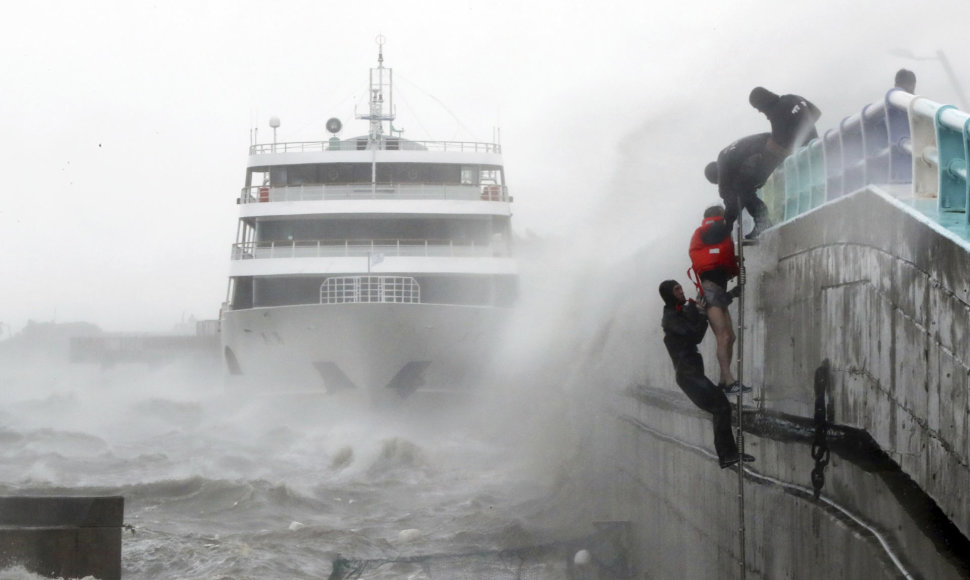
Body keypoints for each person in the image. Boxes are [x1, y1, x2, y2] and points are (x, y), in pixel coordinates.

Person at [659, 280, 754, 468]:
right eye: (676, 289)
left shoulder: (682, 310)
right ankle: (727, 455)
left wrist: (731, 295)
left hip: (693, 373)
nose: (681, 291)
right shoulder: (670, 318)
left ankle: (728, 454)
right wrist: (701, 313)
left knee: (720, 407)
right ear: (669, 294)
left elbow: (711, 304)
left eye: (680, 287)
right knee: (720, 407)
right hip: (688, 376)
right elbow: (695, 335)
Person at [688, 205, 750, 395]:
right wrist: (732, 210)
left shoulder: (711, 234)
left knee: (730, 336)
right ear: (717, 216)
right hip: (710, 291)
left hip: (717, 291)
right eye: (723, 215)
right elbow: (722, 228)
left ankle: (724, 381)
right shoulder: (711, 229)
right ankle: (729, 380)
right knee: (723, 337)